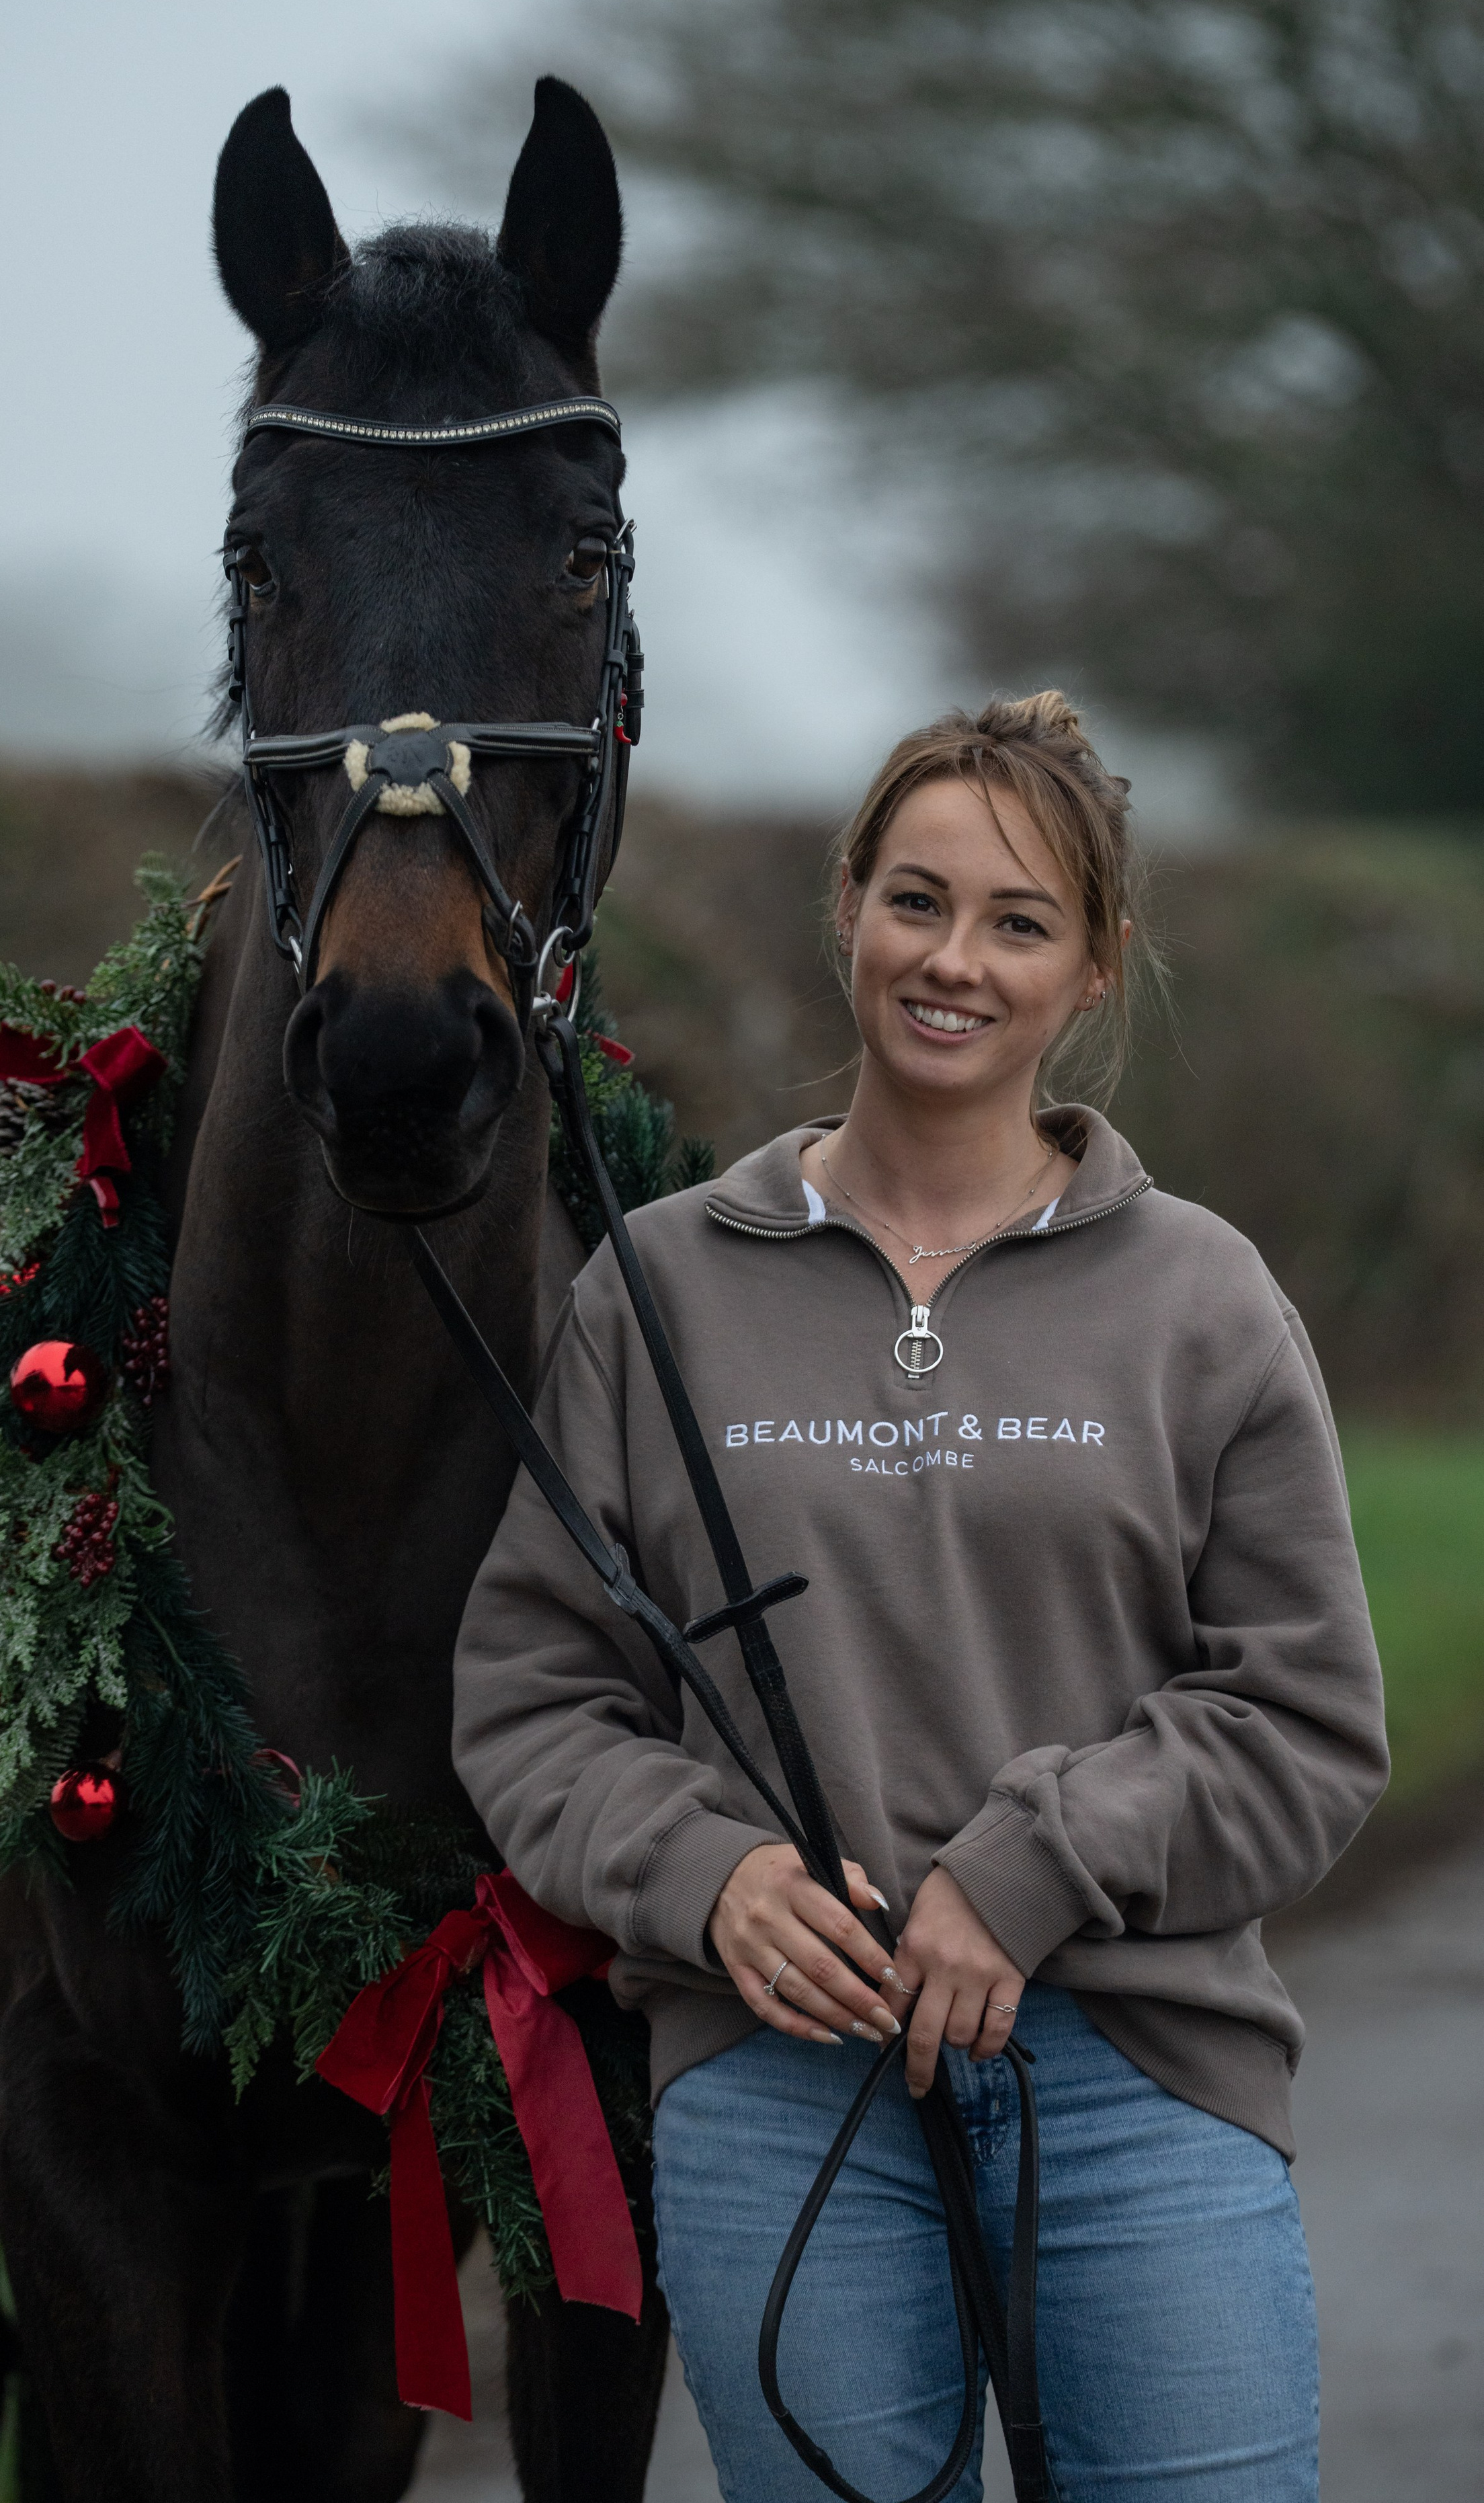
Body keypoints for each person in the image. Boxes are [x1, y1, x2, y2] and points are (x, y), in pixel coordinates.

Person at [452, 691, 1388, 2502]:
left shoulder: (1201, 1299)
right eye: (920, 901)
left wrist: (1026, 1869)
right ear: (850, 908)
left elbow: (1307, 1719)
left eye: (1020, 923)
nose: (956, 961)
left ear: (1094, 969)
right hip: (780, 2079)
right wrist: (704, 1873)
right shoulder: (662, 1292)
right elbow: (536, 1687)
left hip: (1137, 2069)